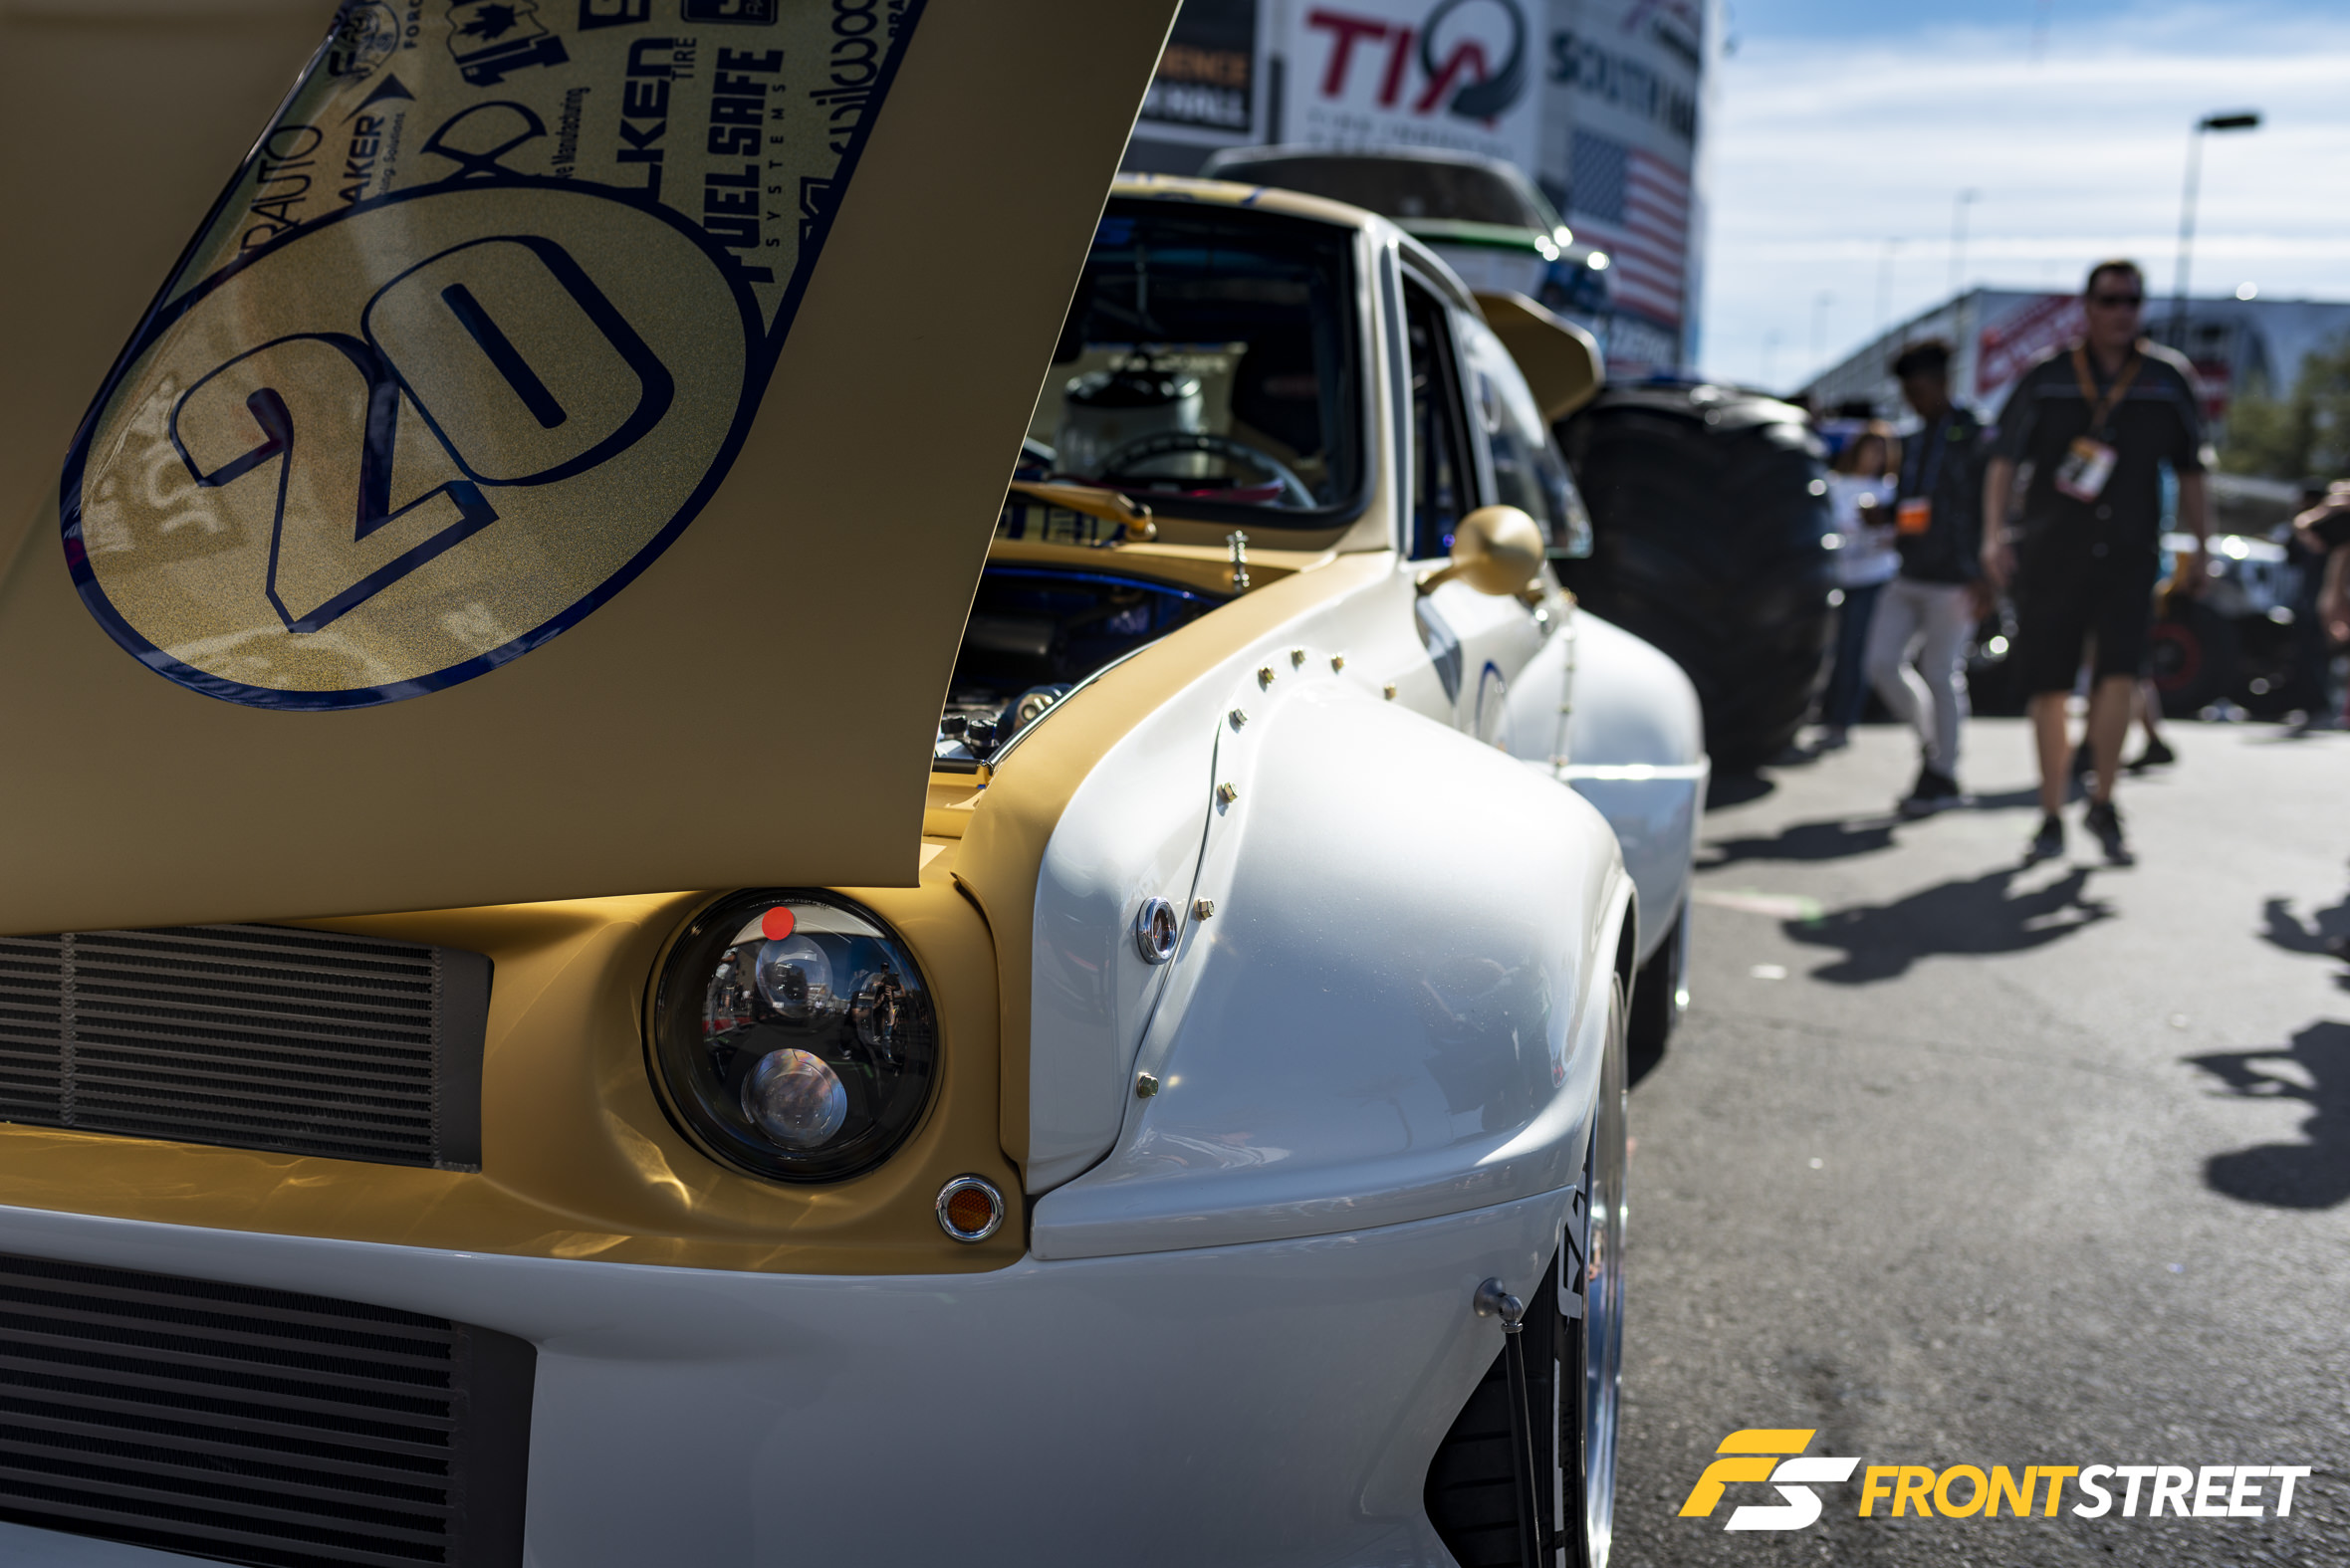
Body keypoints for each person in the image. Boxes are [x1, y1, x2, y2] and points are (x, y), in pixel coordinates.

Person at [1983, 260, 2210, 863]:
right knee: (2050, 684)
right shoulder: (2049, 375)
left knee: (2120, 675)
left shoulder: (2166, 378)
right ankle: (2051, 810)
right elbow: (2004, 459)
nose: (2120, 312)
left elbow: (2193, 469)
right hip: (2051, 551)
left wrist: (2202, 545)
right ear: (2087, 307)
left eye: (2131, 301)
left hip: (2131, 553)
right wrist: (1993, 536)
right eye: (2109, 300)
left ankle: (2104, 800)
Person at [1863, 339, 1984, 816]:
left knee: (1940, 672)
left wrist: (1987, 573)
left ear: (1942, 382)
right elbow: (1916, 506)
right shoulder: (1911, 441)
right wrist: (1886, 515)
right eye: (1907, 392)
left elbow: (1989, 505)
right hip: (1909, 572)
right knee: (1880, 663)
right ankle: (1932, 746)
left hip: (1956, 580)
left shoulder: (1976, 435)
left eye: (1918, 390)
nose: (1913, 401)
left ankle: (1943, 772)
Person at [1817, 421, 1901, 750]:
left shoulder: (1890, 490)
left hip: (1872, 579)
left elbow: (1900, 534)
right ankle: (1818, 714)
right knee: (1828, 649)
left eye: (1881, 451)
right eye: (1870, 449)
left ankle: (1841, 721)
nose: (1875, 457)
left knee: (1854, 651)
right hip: (1835, 577)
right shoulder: (1835, 484)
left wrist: (1883, 529)